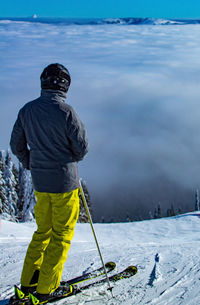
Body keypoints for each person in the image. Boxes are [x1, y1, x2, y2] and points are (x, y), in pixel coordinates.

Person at [10, 63, 88, 303]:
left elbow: (16, 145)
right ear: (65, 85)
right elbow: (82, 148)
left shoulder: (27, 110)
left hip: (41, 184)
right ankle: (46, 288)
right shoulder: (66, 112)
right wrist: (68, 158)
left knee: (42, 231)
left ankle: (29, 281)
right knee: (61, 235)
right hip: (65, 184)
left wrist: (31, 163)